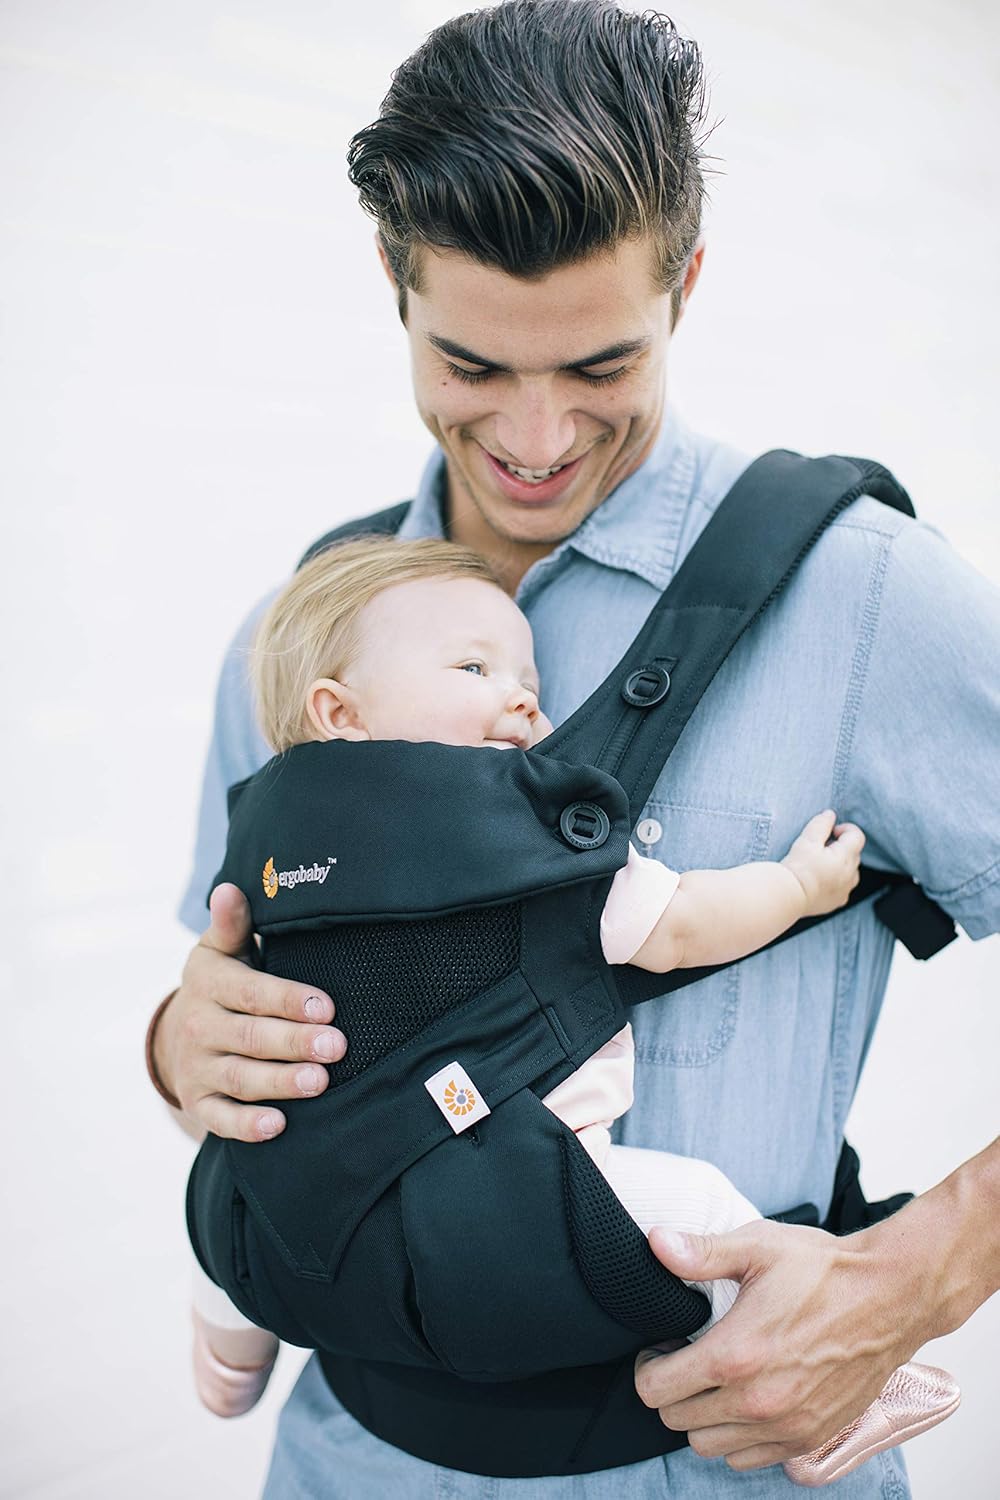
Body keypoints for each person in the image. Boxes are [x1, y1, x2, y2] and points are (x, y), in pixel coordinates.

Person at [147, 3, 1000, 1496]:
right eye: (472, 364)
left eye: (601, 366)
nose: (536, 436)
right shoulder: (300, 635)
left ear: (689, 282)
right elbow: (224, 1005)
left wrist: (922, 1275)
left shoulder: (869, 596)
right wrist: (184, 1045)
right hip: (348, 1463)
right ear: (392, 284)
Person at [190, 535, 957, 1488]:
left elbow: (223, 970)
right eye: (476, 669)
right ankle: (817, 1404)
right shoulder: (524, 829)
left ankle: (229, 1352)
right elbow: (679, 926)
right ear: (337, 711)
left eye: (528, 675)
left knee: (233, 1183)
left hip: (301, 1179)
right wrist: (800, 886)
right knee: (705, 1213)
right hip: (493, 1193)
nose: (522, 695)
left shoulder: (271, 830)